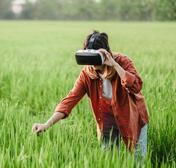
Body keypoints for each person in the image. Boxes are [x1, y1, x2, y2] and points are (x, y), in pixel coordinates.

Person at [32, 31, 149, 161]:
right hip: (107, 121)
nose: (92, 63)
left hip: (132, 118)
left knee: (138, 163)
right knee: (109, 163)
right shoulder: (87, 73)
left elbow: (136, 86)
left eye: (95, 57)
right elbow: (70, 100)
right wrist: (46, 125)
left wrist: (115, 65)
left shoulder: (122, 61)